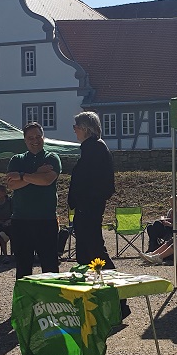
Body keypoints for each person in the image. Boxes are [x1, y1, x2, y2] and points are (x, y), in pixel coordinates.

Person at [6, 122, 61, 280]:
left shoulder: (51, 157)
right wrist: (36, 174)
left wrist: (22, 176)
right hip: (21, 221)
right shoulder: (17, 159)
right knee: (23, 268)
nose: (35, 140)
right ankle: (25, 304)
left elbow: (47, 180)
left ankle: (52, 302)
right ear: (25, 140)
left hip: (46, 220)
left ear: (43, 137)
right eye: (30, 138)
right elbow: (12, 185)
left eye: (38, 136)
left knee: (50, 267)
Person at [68, 111, 116, 270]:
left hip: (89, 206)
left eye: (76, 127)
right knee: (85, 249)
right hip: (86, 205)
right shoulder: (93, 147)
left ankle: (114, 287)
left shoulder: (95, 148)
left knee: (93, 248)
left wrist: (82, 200)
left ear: (85, 128)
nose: (74, 130)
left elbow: (94, 181)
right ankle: (91, 286)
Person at [139, 196, 177, 265]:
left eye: (173, 202)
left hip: (176, 230)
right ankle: (152, 249)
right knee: (150, 226)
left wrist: (170, 224)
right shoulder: (170, 211)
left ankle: (152, 249)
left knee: (157, 224)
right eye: (170, 202)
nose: (171, 204)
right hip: (168, 229)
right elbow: (167, 220)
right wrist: (164, 220)